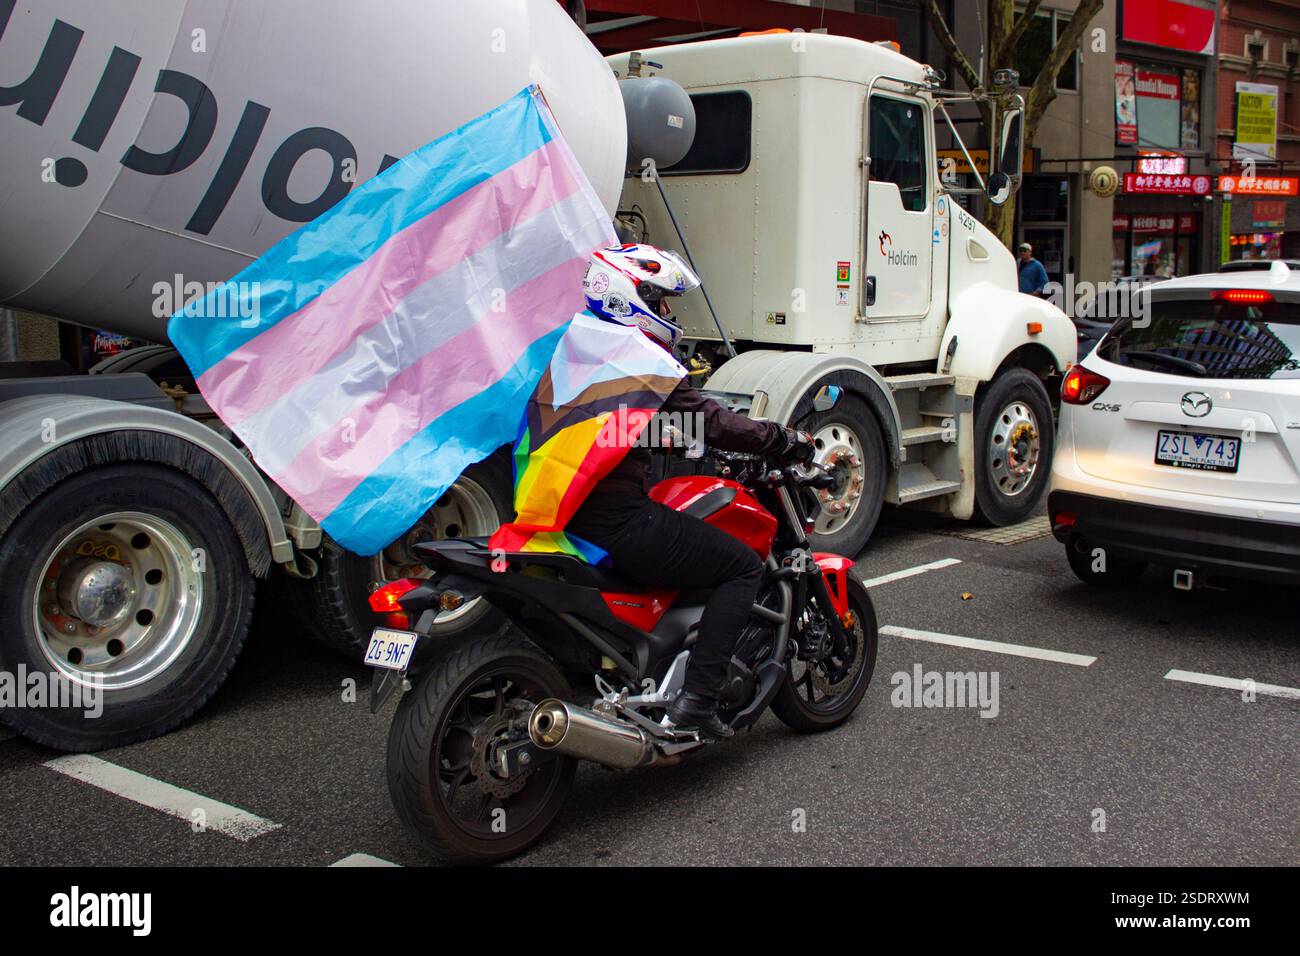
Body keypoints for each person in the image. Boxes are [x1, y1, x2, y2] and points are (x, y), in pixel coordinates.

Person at [562, 244, 813, 738]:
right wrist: (781, 440)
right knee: (739, 566)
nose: (669, 314)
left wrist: (664, 434)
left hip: (561, 511)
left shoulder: (575, 347)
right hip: (617, 521)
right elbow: (711, 421)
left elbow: (604, 426)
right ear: (630, 297)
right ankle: (696, 701)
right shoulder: (637, 357)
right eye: (661, 303)